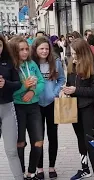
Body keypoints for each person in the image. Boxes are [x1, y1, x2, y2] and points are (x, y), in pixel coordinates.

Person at [62, 38, 94, 180]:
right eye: (72, 54)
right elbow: (70, 84)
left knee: (89, 139)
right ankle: (85, 168)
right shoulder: (71, 65)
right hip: (73, 106)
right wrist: (66, 90)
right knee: (80, 138)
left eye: (76, 54)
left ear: (83, 53)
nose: (73, 57)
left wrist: (75, 89)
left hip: (87, 107)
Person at [8, 36, 45, 180]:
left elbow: (41, 82)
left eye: (26, 49)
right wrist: (25, 86)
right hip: (18, 108)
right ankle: (21, 173)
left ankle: (31, 172)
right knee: (20, 143)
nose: (24, 52)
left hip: (34, 107)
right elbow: (10, 90)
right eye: (20, 50)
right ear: (14, 51)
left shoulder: (32, 64)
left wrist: (32, 91)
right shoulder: (12, 67)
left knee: (38, 141)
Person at [31, 36, 66, 179]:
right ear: (36, 49)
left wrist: (55, 92)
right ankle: (39, 168)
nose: (44, 51)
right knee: (38, 137)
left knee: (53, 136)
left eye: (47, 48)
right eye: (41, 48)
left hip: (51, 104)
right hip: (36, 105)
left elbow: (62, 79)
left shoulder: (55, 62)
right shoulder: (31, 64)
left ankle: (52, 166)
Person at [0, 35, 24, 180]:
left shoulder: (8, 62)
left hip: (7, 108)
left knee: (11, 151)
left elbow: (18, 84)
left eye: (0, 45)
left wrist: (5, 84)